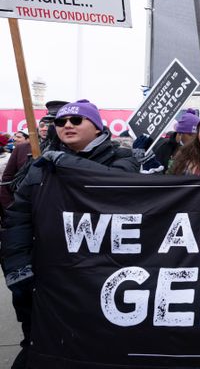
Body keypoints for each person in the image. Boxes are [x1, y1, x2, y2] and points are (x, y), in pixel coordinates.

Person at [0, 99, 139, 369]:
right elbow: (18, 218)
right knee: (39, 346)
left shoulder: (122, 158)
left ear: (97, 128)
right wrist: (17, 269)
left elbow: (119, 185)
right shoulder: (41, 164)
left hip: (101, 275)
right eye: (61, 121)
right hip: (47, 277)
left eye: (76, 120)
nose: (66, 125)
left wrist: (68, 163)